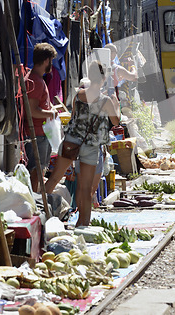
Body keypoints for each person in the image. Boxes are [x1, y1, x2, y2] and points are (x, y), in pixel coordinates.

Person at [45, 61, 120, 227]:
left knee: (54, 178)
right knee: (85, 187)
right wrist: (116, 106)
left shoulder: (79, 94)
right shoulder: (106, 100)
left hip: (72, 141)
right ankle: (83, 223)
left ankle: (39, 211)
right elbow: (115, 121)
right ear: (103, 79)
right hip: (91, 146)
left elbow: (74, 115)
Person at [24, 43, 58, 193]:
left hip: (40, 133)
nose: (51, 64)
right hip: (37, 134)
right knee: (36, 171)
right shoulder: (36, 81)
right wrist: (50, 114)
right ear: (46, 61)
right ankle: (35, 199)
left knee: (38, 170)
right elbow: (31, 110)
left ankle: (36, 197)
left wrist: (50, 108)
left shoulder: (36, 78)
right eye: (51, 60)